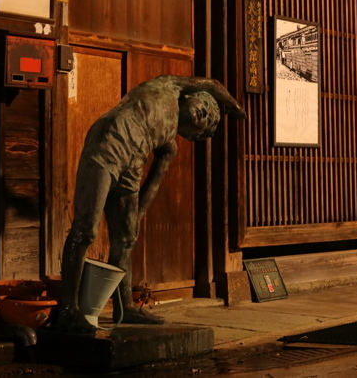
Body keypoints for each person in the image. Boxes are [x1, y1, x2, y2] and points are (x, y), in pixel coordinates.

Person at [53, 75, 246, 334]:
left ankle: (126, 307)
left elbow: (152, 186)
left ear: (191, 135)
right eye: (206, 106)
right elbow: (211, 84)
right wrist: (233, 106)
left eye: (207, 120)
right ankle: (69, 310)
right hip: (109, 143)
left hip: (132, 167)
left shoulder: (169, 147)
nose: (205, 113)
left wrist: (137, 217)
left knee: (126, 239)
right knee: (86, 228)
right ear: (190, 96)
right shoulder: (168, 86)